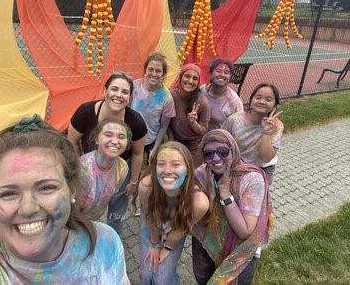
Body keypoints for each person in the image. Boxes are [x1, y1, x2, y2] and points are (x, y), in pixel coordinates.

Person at [0, 115, 129, 284]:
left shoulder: (105, 243)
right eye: (8, 193)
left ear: (72, 190)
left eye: (46, 188)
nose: (28, 208)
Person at [68, 72, 147, 235]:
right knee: (84, 208)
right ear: (105, 91)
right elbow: (71, 142)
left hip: (120, 172)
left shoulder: (136, 122)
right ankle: (82, 234)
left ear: (130, 98)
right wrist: (78, 169)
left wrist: (133, 182)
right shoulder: (85, 112)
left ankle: (112, 238)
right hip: (90, 169)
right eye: (114, 89)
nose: (119, 95)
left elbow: (139, 154)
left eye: (125, 92)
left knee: (116, 212)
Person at [192, 129, 272, 284]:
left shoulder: (251, 179)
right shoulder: (201, 175)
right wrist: (210, 197)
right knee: (203, 280)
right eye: (208, 154)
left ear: (233, 150)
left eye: (222, 152)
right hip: (205, 243)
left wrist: (225, 194)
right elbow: (196, 217)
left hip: (238, 250)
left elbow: (245, 231)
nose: (215, 159)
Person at [138, 141, 209, 284]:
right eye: (161, 164)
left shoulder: (199, 202)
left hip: (176, 228)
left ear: (188, 169)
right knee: (146, 275)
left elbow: (182, 228)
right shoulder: (147, 187)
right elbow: (150, 217)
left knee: (163, 279)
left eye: (176, 164)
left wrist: (168, 247)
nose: (167, 170)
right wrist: (154, 244)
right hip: (153, 227)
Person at [222, 83, 283, 184]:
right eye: (258, 97)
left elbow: (266, 158)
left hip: (263, 168)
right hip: (237, 164)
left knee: (255, 198)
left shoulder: (277, 125)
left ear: (274, 105)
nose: (262, 102)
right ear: (251, 100)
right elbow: (220, 140)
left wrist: (266, 131)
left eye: (268, 99)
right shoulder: (235, 119)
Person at [77, 118, 132, 221]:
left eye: (121, 137)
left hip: (95, 218)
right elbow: (72, 206)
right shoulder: (83, 170)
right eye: (108, 135)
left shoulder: (123, 167)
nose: (115, 141)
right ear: (97, 139)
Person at [131, 52, 176, 164]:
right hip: (132, 138)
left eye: (158, 71)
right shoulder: (133, 87)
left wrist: (155, 149)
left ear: (163, 74)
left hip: (151, 140)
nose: (154, 74)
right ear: (145, 70)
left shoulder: (166, 97)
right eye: (150, 69)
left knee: (151, 173)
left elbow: (163, 127)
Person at [168, 63, 210, 168]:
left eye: (195, 78)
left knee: (190, 175)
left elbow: (203, 130)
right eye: (187, 76)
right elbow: (167, 123)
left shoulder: (202, 102)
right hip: (176, 140)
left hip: (194, 146)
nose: (190, 81)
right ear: (181, 77)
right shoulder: (171, 96)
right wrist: (172, 142)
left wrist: (194, 123)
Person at [199, 58, 243, 130]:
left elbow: (240, 127)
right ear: (210, 73)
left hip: (219, 139)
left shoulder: (235, 101)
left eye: (226, 72)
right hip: (198, 137)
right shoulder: (202, 90)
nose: (222, 75)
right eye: (218, 71)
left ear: (230, 77)